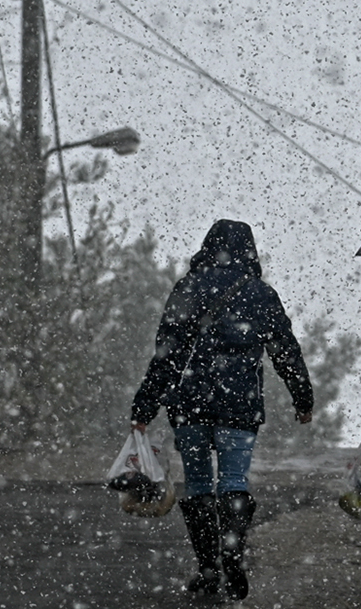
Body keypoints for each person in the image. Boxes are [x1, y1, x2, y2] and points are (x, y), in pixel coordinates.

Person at [129, 219, 314, 601]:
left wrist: (144, 406)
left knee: (198, 484)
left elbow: (166, 354)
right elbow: (285, 350)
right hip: (239, 403)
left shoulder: (188, 287)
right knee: (233, 480)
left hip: (190, 402)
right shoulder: (261, 294)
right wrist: (302, 398)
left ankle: (208, 569)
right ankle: (232, 553)